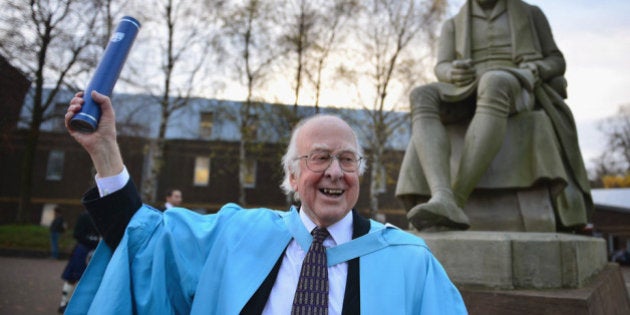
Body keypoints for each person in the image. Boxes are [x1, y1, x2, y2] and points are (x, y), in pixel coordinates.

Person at [62, 91, 467, 314]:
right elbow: (143, 239)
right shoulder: (234, 235)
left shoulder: (410, 262)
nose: (335, 172)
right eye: (320, 157)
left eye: (347, 160)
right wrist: (104, 150)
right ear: (292, 176)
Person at [398, 0, 591, 231]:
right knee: (421, 94)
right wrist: (452, 71)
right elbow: (442, 66)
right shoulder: (453, 24)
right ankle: (441, 196)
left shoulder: (531, 14)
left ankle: (456, 200)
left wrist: (537, 69)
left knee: (493, 81)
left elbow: (556, 60)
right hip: (466, 86)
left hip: (516, 82)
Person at [57, 211, 100, 314]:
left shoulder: (105, 216)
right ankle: (64, 303)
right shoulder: (84, 216)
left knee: (92, 280)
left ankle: (83, 305)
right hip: (83, 249)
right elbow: (77, 234)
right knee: (72, 277)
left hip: (98, 252)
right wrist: (95, 241)